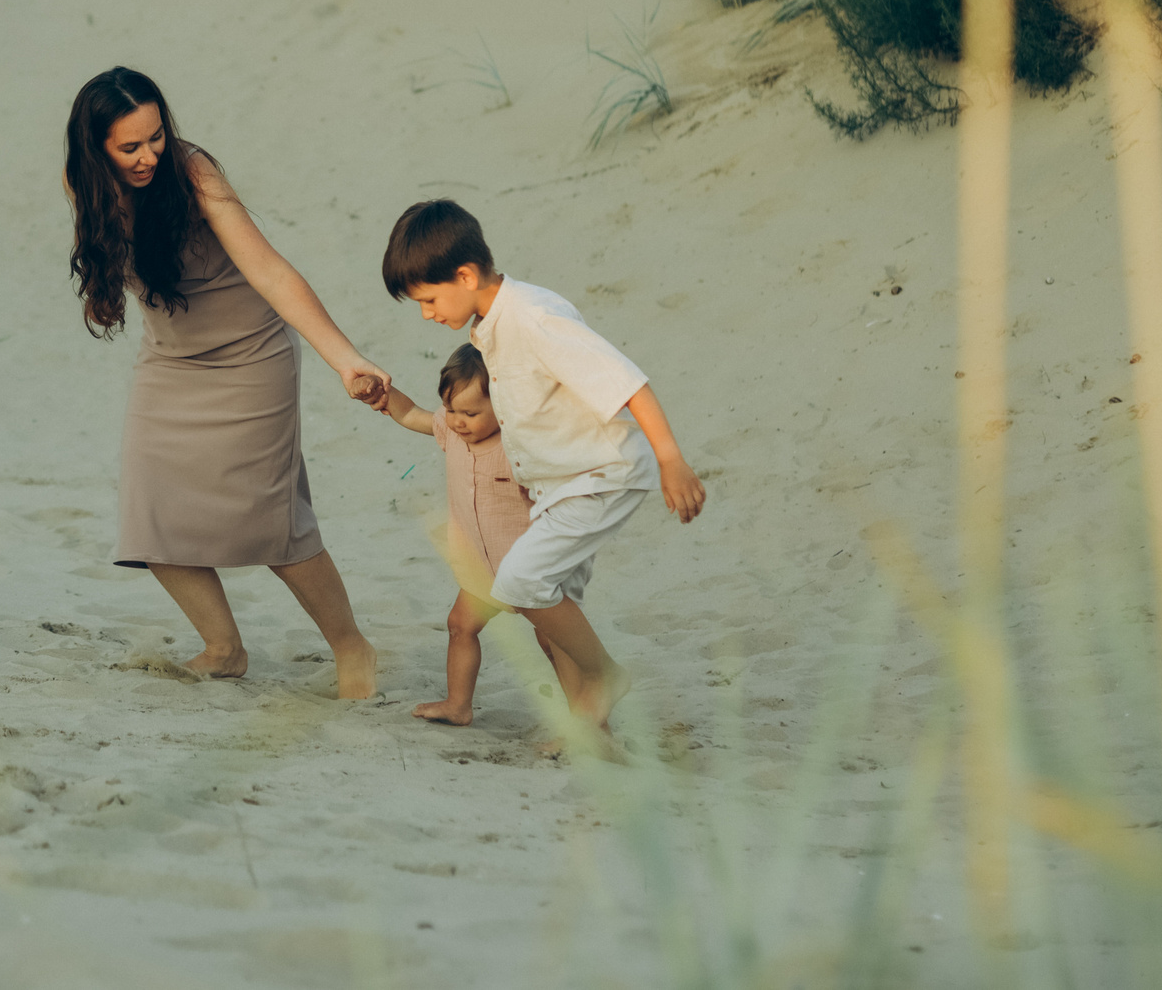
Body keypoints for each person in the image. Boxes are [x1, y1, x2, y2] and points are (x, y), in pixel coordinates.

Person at [64, 66, 387, 699]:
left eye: (156, 136)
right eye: (129, 146)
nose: (149, 154)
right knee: (150, 514)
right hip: (171, 364)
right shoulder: (88, 188)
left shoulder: (193, 173)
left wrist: (344, 357)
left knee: (272, 524)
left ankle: (353, 648)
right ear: (94, 148)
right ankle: (224, 648)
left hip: (251, 360)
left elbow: (270, 271)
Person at [373, 199, 707, 740]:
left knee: (521, 581)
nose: (427, 314)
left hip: (601, 473)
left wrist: (671, 460)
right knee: (554, 604)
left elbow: (626, 381)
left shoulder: (533, 316)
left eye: (430, 299)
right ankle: (590, 726)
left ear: (465, 274)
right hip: (558, 487)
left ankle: (605, 677)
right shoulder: (493, 326)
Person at [372, 342, 556, 727]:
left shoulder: (519, 449)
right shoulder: (452, 432)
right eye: (451, 409)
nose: (457, 421)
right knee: (460, 625)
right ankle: (459, 704)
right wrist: (383, 396)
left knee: (557, 642)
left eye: (471, 412)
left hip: (530, 569)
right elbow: (410, 415)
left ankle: (588, 720)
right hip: (481, 568)